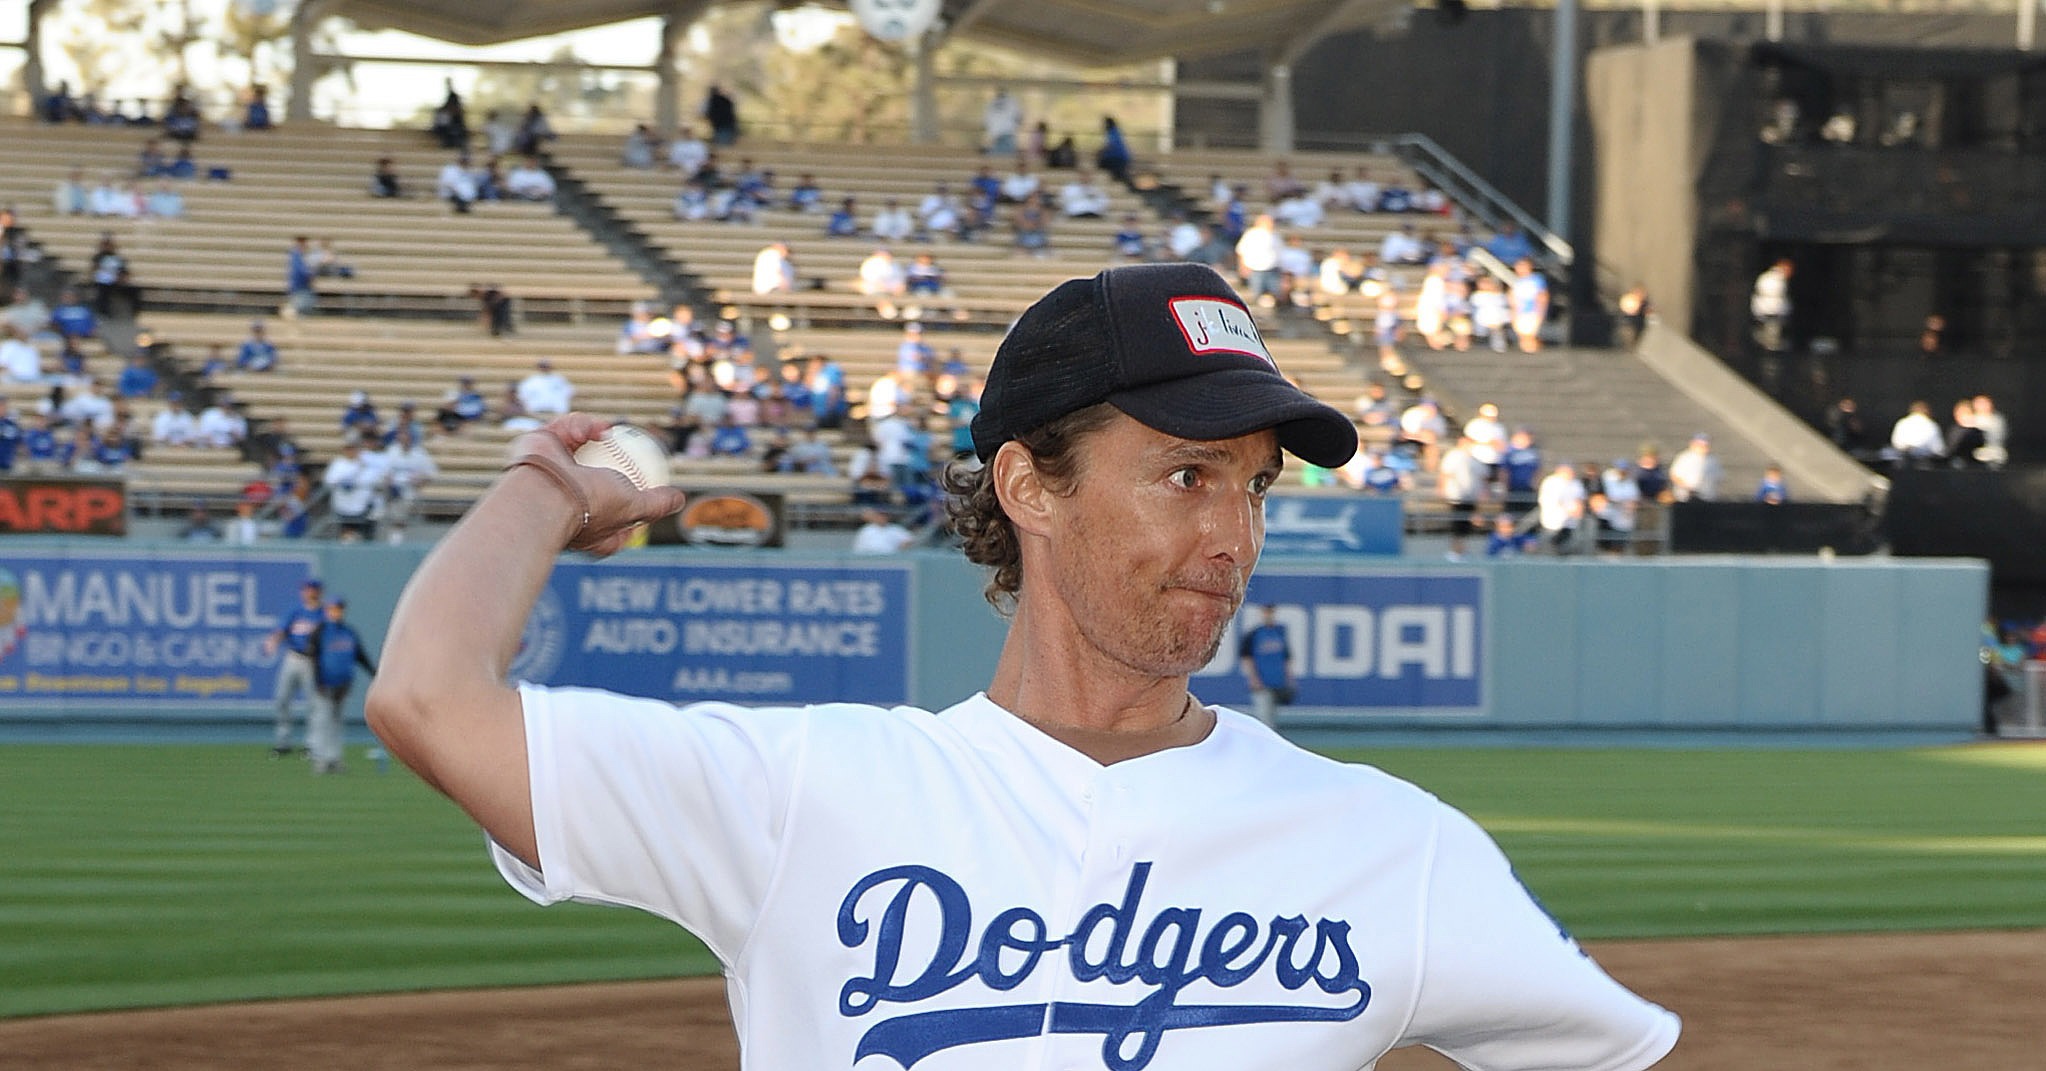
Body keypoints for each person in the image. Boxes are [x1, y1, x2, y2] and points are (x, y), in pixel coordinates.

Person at [364, 262, 1677, 1071]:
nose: (1233, 534)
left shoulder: (1391, 845)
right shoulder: (799, 793)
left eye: (1256, 487)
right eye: (1186, 475)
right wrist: (546, 488)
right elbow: (426, 698)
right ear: (1026, 485)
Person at [306, 599, 377, 775]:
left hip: (343, 683)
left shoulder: (349, 632)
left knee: (337, 722)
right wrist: (317, 681)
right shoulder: (320, 632)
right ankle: (320, 759)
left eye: (339, 609)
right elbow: (313, 658)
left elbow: (360, 656)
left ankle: (334, 758)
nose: (336, 612)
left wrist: (375, 674)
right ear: (327, 611)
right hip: (324, 683)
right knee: (322, 721)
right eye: (333, 609)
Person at [264, 579, 326, 757]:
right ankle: (283, 742)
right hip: (293, 657)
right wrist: (273, 641)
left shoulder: (323, 613)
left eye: (313, 589)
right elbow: (281, 630)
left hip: (312, 660)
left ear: (319, 592)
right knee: (282, 699)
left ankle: (312, 745)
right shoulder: (296, 611)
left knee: (314, 704)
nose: (310, 593)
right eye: (307, 589)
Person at [1236, 603, 1292, 728]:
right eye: (1266, 612)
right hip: (1261, 682)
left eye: (1271, 612)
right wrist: (1253, 678)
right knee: (1264, 719)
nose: (1269, 615)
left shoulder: (1279, 632)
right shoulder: (1254, 634)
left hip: (1278, 681)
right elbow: (1246, 658)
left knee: (1273, 718)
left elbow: (1286, 658)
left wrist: (1289, 678)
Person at [849, 507, 917, 555]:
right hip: (870, 558)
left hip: (890, 558)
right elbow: (858, 547)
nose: (882, 518)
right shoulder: (866, 529)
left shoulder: (895, 528)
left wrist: (900, 549)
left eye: (884, 516)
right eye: (880, 516)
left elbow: (909, 539)